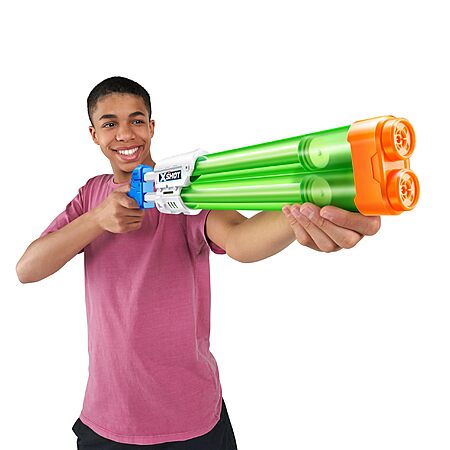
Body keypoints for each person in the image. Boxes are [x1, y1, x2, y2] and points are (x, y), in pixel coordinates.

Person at [16, 76, 381, 449]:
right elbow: (27, 269)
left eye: (136, 120)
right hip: (107, 419)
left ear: (151, 127)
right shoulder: (91, 194)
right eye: (110, 124)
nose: (125, 134)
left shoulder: (186, 189)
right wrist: (97, 220)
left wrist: (304, 206)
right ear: (94, 134)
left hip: (192, 419)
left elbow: (240, 240)